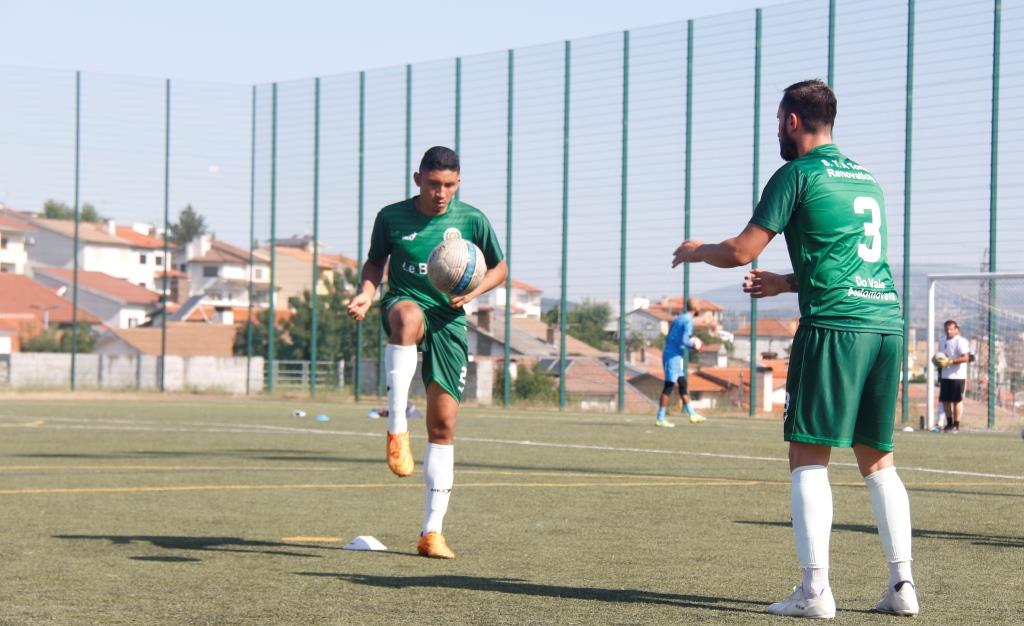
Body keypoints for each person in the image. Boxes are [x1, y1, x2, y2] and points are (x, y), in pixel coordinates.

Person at [672, 80, 918, 618]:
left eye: (776, 119)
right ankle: (903, 587)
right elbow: (846, 264)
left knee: (807, 457)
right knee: (878, 462)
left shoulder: (796, 174)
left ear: (791, 121)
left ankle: (815, 593)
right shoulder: (866, 179)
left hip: (834, 329)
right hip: (885, 325)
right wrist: (785, 283)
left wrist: (696, 251)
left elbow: (740, 251)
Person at [346, 146, 507, 559]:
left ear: (458, 183)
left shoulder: (471, 219)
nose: (441, 193)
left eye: (450, 185)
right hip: (404, 303)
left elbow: (500, 268)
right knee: (407, 317)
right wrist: (366, 295)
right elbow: (374, 263)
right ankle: (396, 427)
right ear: (417, 179)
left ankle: (431, 532)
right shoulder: (391, 217)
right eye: (434, 184)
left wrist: (475, 289)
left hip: (449, 321)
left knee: (443, 426)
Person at [656, 298, 706, 427]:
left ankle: (692, 414)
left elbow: (673, 336)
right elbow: (685, 339)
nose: (700, 307)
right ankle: (660, 418)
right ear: (695, 308)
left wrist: (691, 343)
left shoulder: (680, 318)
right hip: (673, 355)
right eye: (699, 305)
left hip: (675, 354)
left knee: (682, 383)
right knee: (669, 386)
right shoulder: (688, 320)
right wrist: (694, 345)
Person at [937, 320, 971, 433]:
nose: (948, 331)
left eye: (951, 329)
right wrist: (938, 361)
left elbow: (965, 358)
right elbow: (941, 356)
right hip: (945, 376)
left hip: (958, 376)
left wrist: (950, 361)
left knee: (957, 401)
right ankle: (949, 423)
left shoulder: (961, 341)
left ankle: (956, 425)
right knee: (945, 401)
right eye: (946, 329)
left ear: (956, 329)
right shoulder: (942, 341)